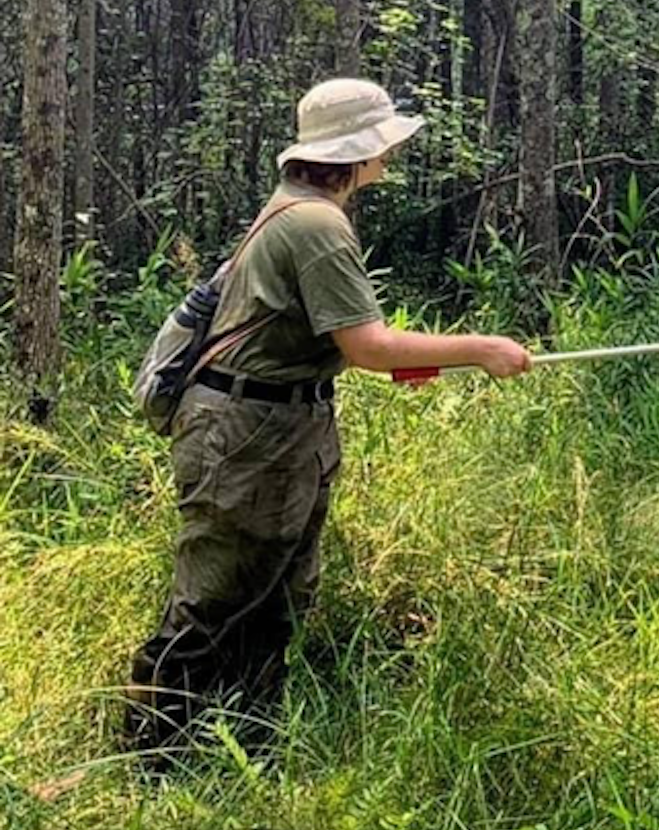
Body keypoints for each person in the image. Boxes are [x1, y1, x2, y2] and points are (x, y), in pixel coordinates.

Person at [122, 79, 529, 757]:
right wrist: (482, 350)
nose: (389, 157)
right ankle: (148, 757)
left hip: (278, 429)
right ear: (358, 151)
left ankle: (244, 746)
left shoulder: (301, 210)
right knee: (217, 598)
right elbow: (369, 345)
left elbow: (332, 340)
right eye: (382, 144)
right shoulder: (315, 223)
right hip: (249, 436)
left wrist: (419, 359)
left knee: (276, 595)